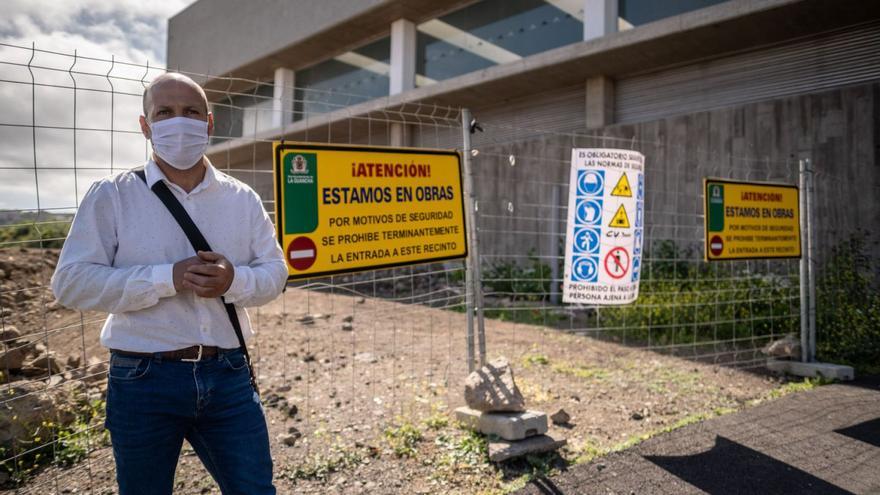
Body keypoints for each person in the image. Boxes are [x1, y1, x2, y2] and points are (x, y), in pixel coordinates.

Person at [50, 72, 287, 494]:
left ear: (209, 123)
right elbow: (70, 282)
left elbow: (275, 273)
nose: (180, 122)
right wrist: (166, 278)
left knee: (255, 489)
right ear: (146, 125)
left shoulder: (242, 198)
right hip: (143, 378)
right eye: (165, 113)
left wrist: (235, 280)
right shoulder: (111, 195)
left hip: (228, 372)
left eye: (191, 112)